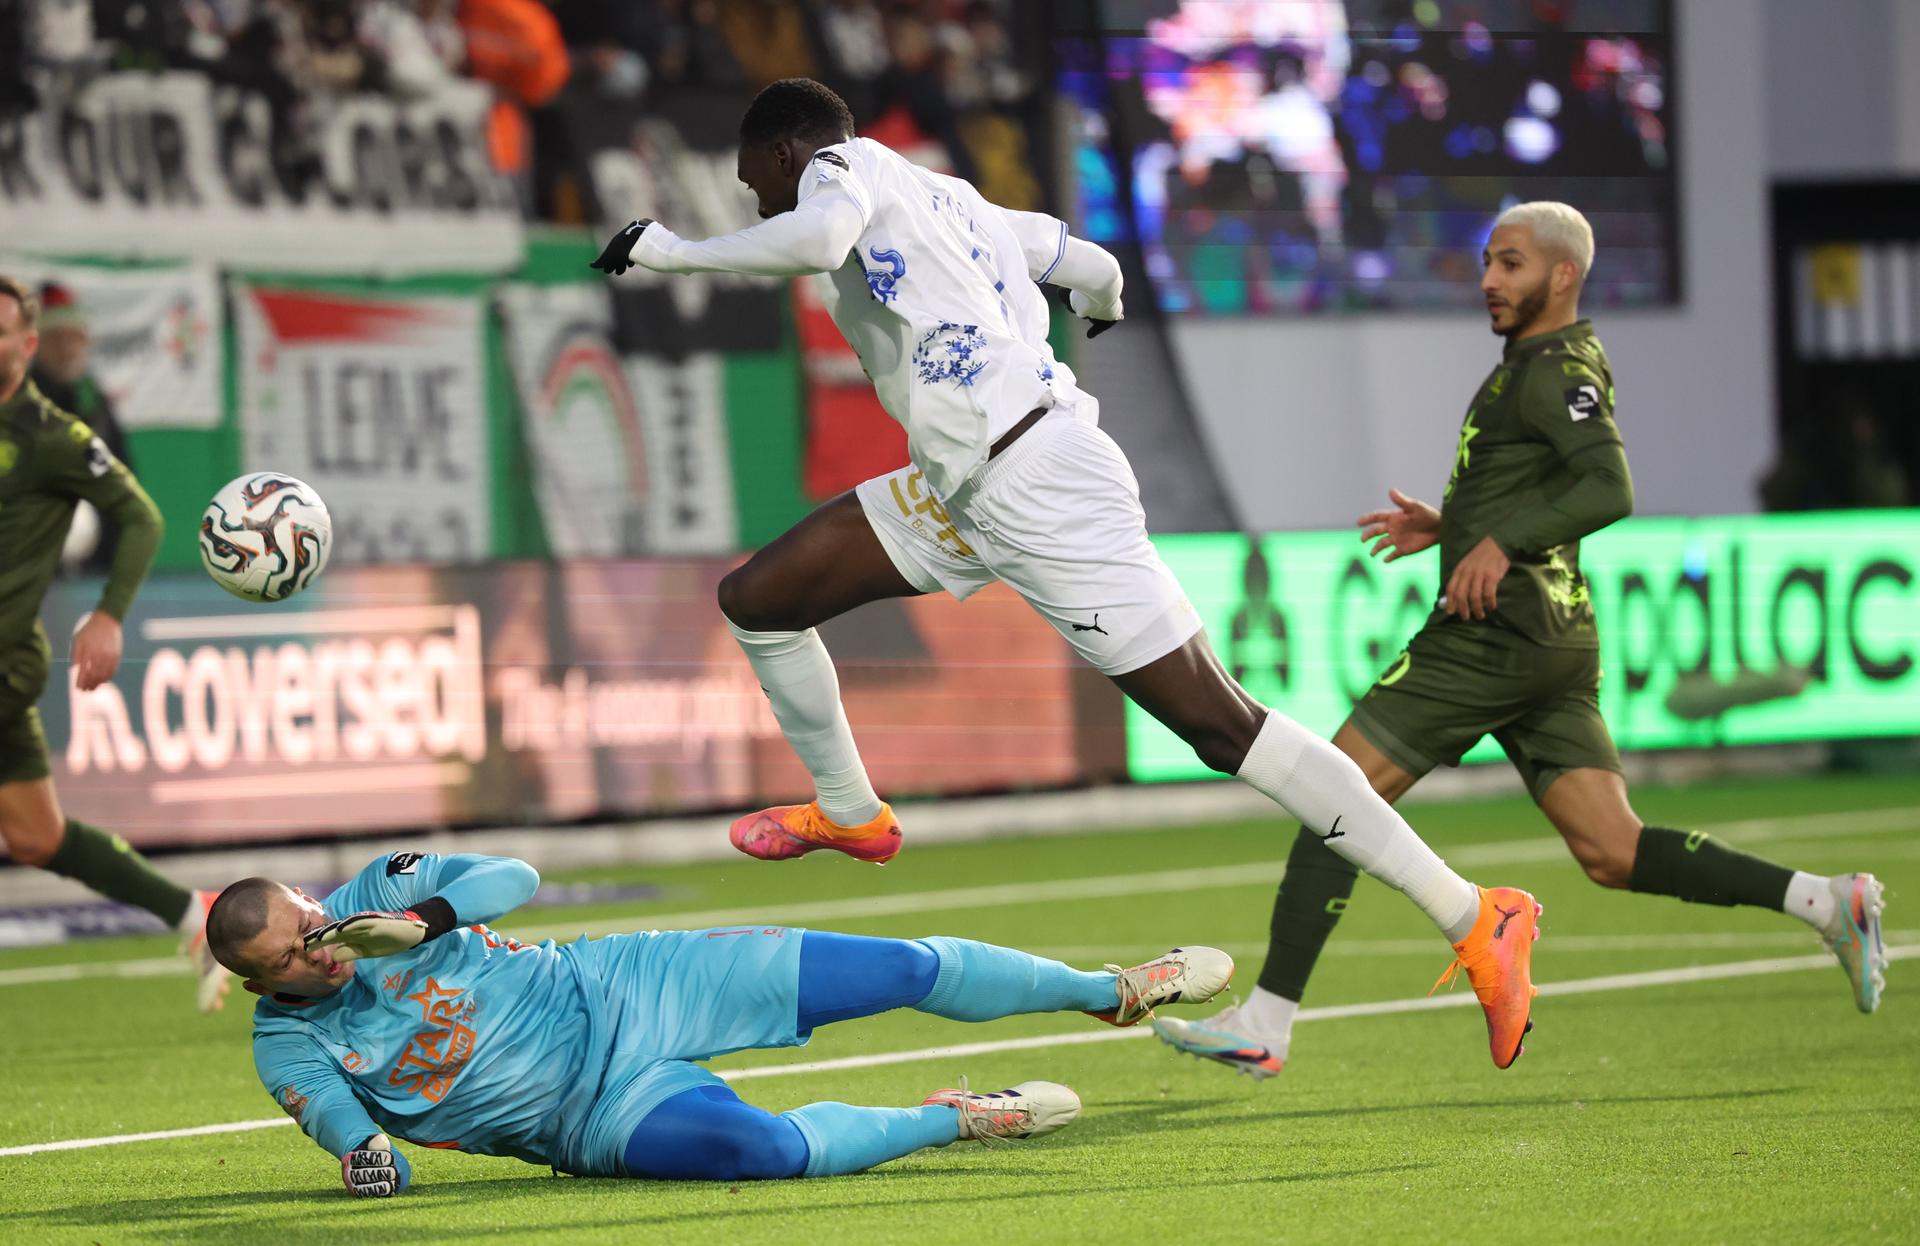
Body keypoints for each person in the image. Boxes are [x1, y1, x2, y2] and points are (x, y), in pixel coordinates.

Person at [589, 78, 1542, 1069]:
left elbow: (820, 236)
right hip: (962, 487)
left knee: (1223, 726)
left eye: (755, 183)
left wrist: (673, 251)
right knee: (760, 598)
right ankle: (851, 811)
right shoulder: (947, 199)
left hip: (1035, 483)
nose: (755, 201)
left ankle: (1477, 914)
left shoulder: (841, 172)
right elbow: (1087, 262)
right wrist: (1104, 304)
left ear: (789, 152)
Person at [1153, 203, 1890, 1082]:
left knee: (1332, 793)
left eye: (1510, 264)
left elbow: (1609, 486)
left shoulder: (1557, 370)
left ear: (1562, 274)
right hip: (1553, 641)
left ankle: (1268, 1021)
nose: (1489, 281)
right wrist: (1457, 524)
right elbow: (1547, 482)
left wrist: (1498, 544)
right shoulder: (1537, 365)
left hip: (1492, 636)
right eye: (1487, 263)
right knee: (1613, 850)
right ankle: (1827, 903)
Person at [207, 849, 1236, 1192]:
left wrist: (420, 920)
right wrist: (367, 1161)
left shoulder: (375, 892)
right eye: (289, 956)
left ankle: (1110, 991)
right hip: (590, 1119)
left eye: (307, 919)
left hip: (628, 985)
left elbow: (514, 876)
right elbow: (350, 1134)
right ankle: (955, 1117)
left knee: (899, 968)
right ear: (261, 985)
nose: (317, 945)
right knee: (765, 1154)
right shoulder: (287, 1042)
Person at [0, 274, 228, 1011]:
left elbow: (141, 517)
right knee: (36, 838)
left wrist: (107, 615)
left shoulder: (53, 437)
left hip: (5, 666)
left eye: (2, 332)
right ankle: (193, 914)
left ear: (26, 346)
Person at [29, 282, 135, 576]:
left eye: (73, 339)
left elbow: (121, 475)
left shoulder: (94, 401)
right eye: (55, 339)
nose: (66, 350)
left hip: (96, 562)